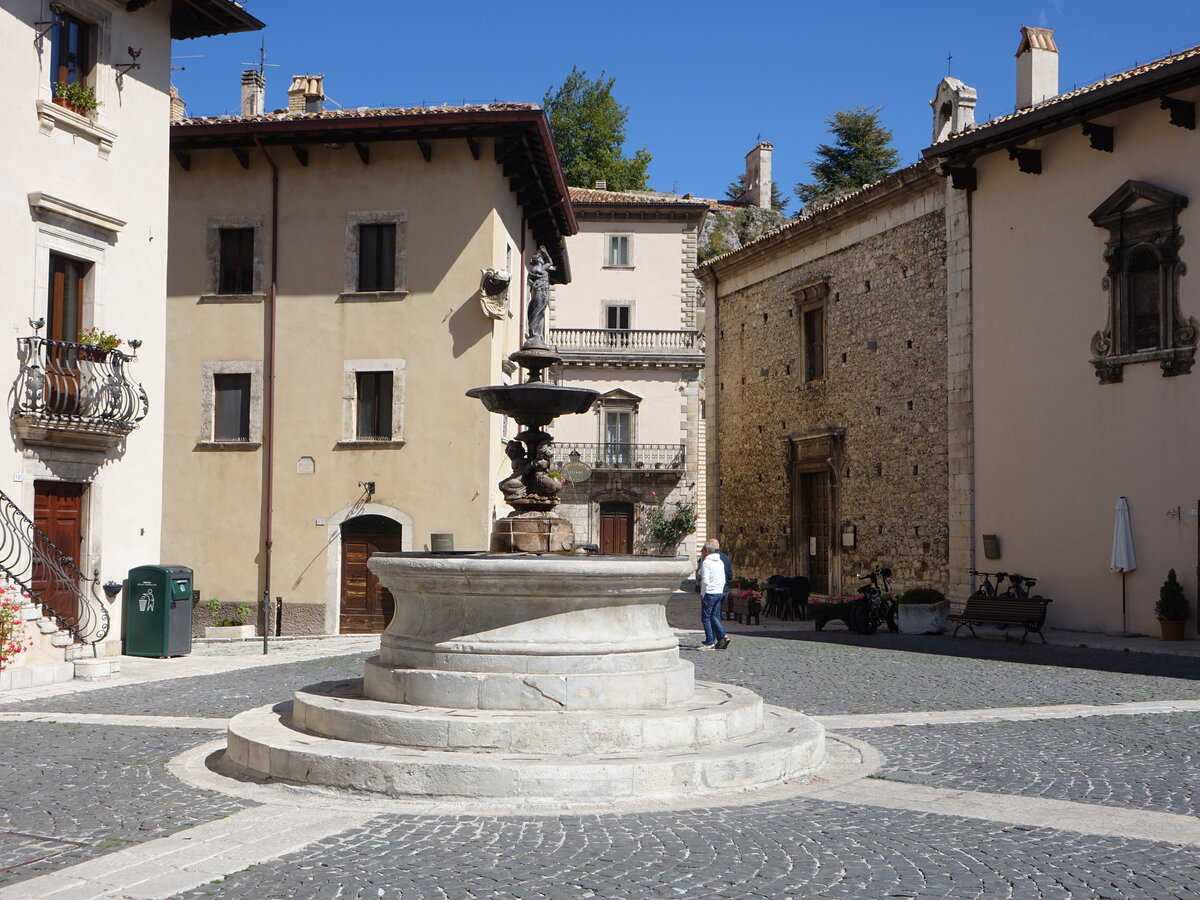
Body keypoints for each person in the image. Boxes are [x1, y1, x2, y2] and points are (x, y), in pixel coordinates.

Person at [697, 540, 730, 651]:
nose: (701, 552)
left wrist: (702, 593)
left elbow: (705, 579)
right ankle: (722, 636)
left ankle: (709, 642)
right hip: (719, 592)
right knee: (714, 616)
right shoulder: (720, 562)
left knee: (705, 618)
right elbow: (723, 578)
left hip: (710, 593)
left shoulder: (706, 562)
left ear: (706, 551)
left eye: (702, 550)